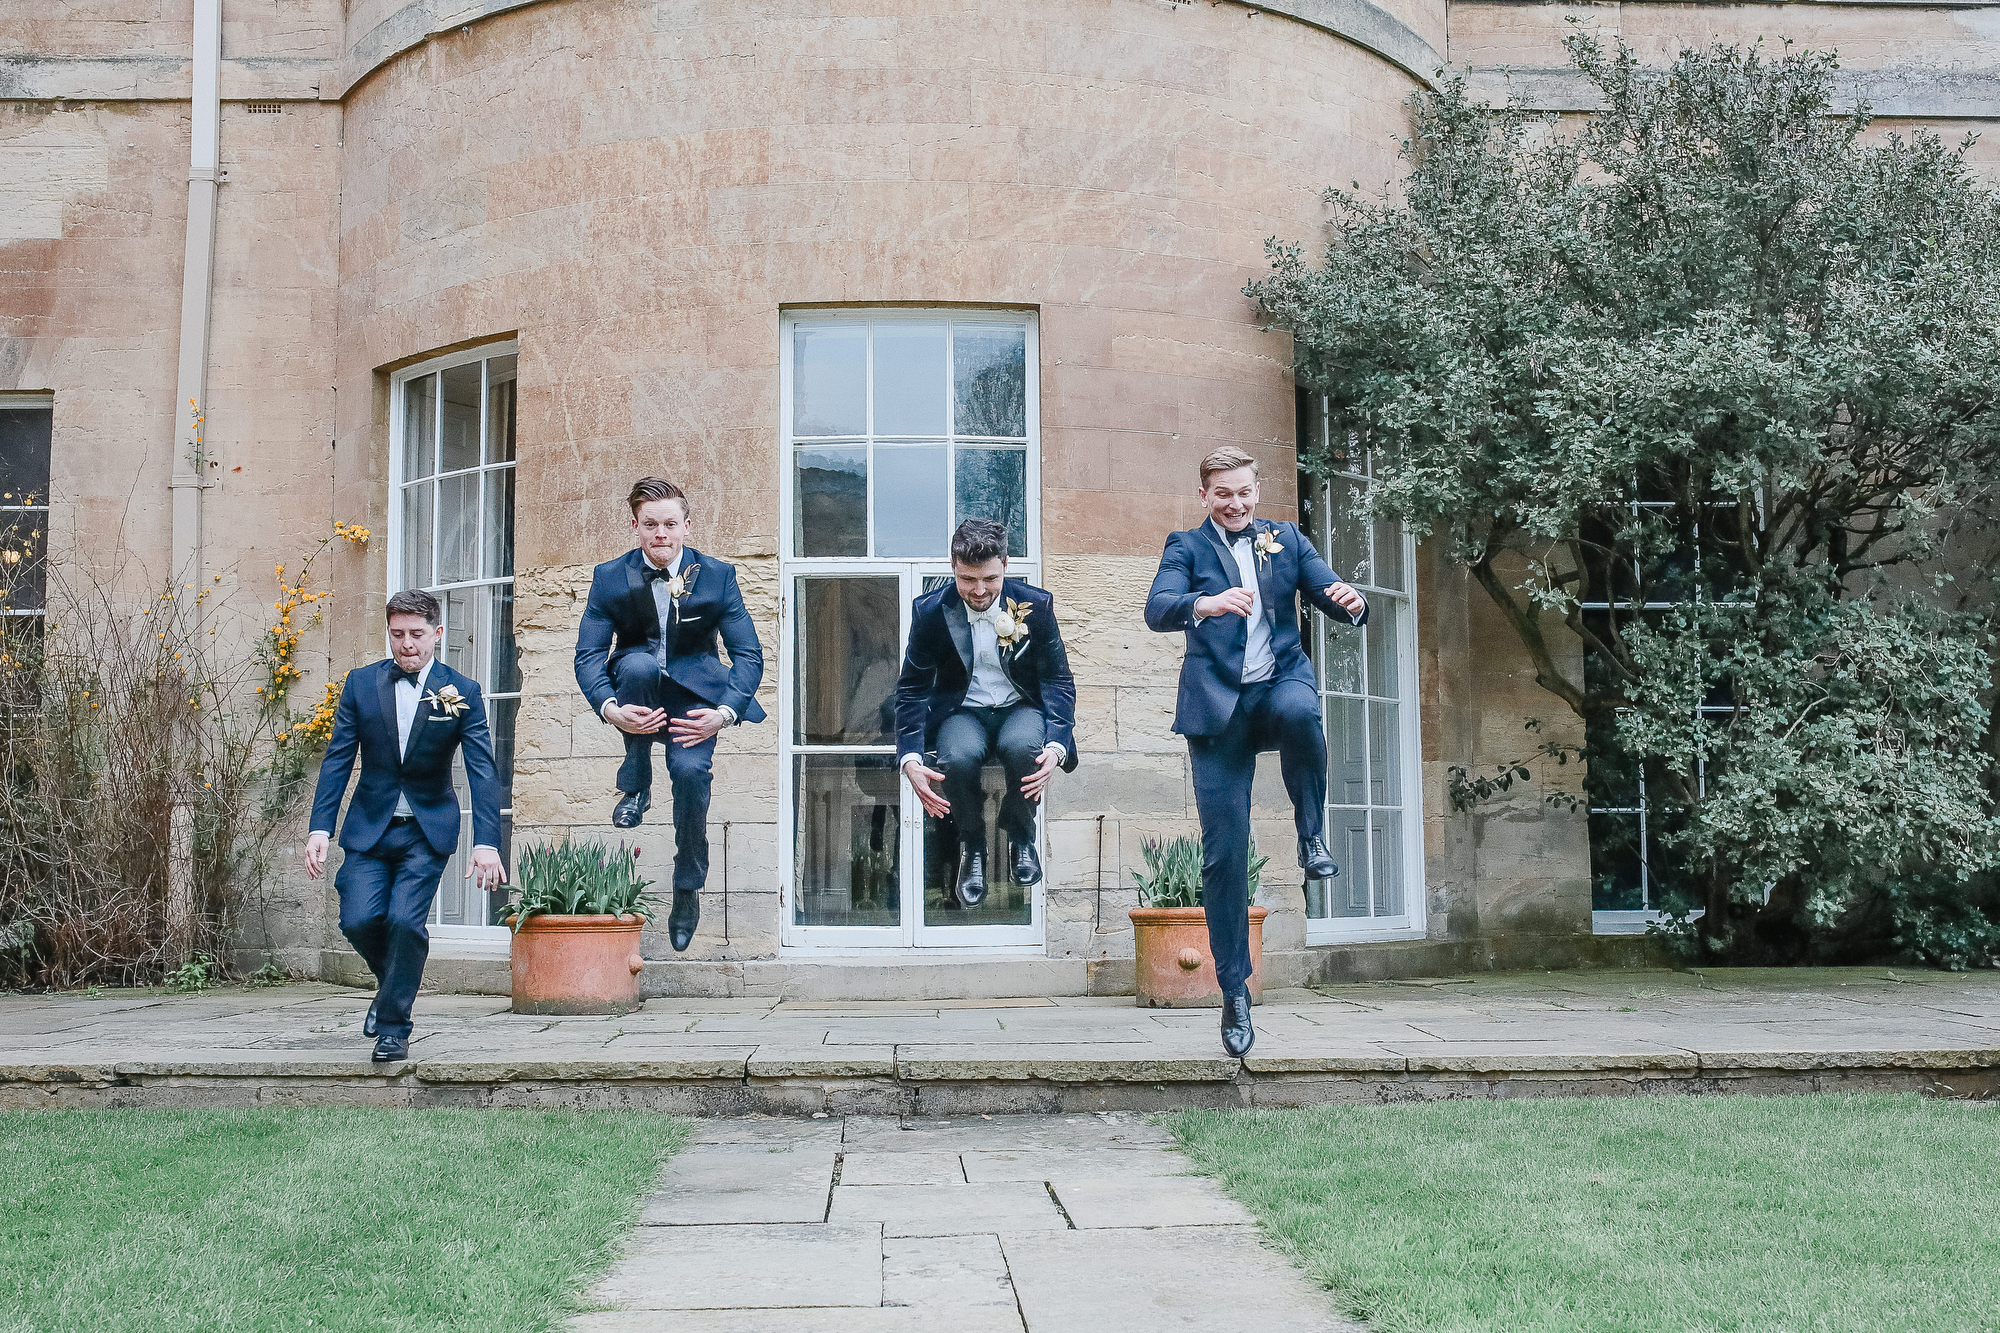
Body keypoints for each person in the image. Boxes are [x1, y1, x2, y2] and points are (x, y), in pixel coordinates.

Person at [1144, 446, 1367, 1057]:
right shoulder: (1186, 549)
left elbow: (1328, 589)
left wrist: (1352, 602)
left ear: (1255, 490)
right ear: (1204, 495)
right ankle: (1234, 991)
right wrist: (1205, 604)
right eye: (1223, 493)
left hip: (1277, 686)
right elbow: (1156, 609)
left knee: (1302, 713)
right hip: (1219, 713)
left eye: (1244, 492)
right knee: (1224, 856)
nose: (1235, 503)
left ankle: (1311, 835)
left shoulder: (1286, 539)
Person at [305, 589, 507, 1063]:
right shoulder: (360, 684)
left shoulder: (463, 692)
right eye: (397, 635)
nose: (407, 645)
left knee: (403, 921)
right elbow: (338, 760)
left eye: (417, 635)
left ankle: (394, 1028)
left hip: (426, 830)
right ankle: (390, 986)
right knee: (358, 919)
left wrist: (486, 843)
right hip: (370, 828)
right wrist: (320, 828)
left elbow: (482, 771)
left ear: (437, 634)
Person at [573, 476, 765, 951]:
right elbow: (587, 655)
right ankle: (635, 783)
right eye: (651, 524)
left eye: (670, 524)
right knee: (635, 661)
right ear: (635, 526)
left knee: (692, 777)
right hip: (638, 692)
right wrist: (610, 708)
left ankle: (687, 886)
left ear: (686, 525)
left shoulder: (717, 576)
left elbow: (749, 655)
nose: (661, 533)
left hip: (697, 700)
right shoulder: (610, 577)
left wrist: (725, 713)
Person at [896, 518, 1078, 905]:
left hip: (1020, 708)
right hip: (962, 712)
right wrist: (909, 755)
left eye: (990, 579)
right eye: (967, 579)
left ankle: (1020, 834)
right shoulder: (930, 612)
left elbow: (1058, 680)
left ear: (1006, 566)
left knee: (1025, 748)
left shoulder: (1036, 606)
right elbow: (912, 688)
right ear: (953, 567)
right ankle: (973, 846)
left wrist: (1059, 744)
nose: (979, 591)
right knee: (956, 757)